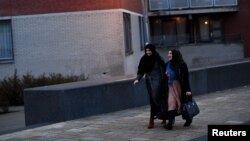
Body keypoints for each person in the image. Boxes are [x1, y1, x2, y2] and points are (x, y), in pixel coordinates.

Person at [133, 43, 166, 129]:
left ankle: (163, 115)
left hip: (158, 81)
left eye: (149, 50)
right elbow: (141, 71)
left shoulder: (158, 58)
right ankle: (151, 120)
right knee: (152, 99)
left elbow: (163, 70)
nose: (148, 52)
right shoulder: (144, 59)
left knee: (157, 97)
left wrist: (164, 80)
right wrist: (137, 79)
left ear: (153, 50)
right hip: (149, 82)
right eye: (146, 50)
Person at [164, 48, 193, 130]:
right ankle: (170, 124)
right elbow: (164, 76)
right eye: (168, 53)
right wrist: (166, 76)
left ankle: (188, 119)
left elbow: (186, 78)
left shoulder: (182, 64)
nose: (168, 55)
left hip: (180, 87)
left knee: (183, 104)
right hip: (170, 87)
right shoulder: (167, 64)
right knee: (171, 103)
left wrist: (188, 90)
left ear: (175, 55)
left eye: (170, 53)